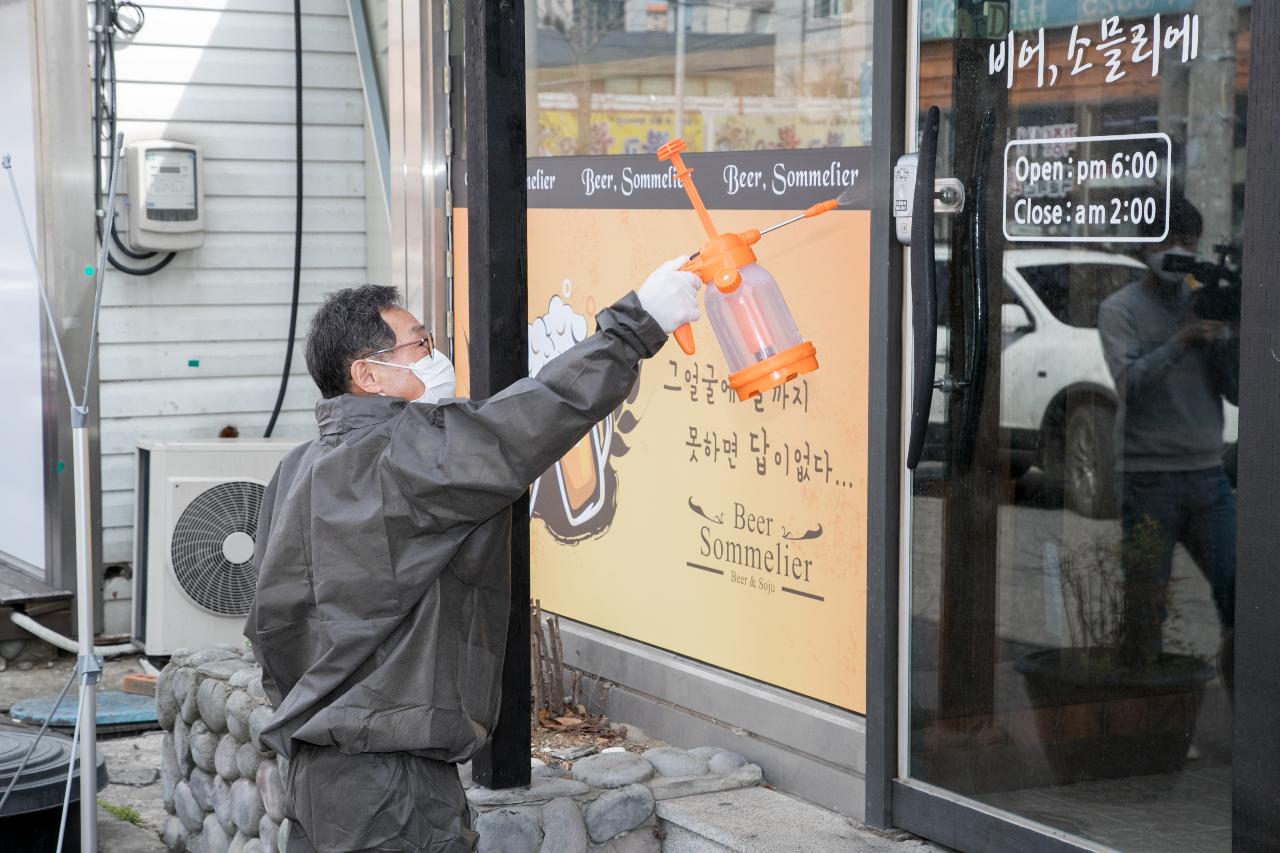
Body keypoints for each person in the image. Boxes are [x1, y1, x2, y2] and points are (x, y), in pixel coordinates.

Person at [243, 257, 701, 852]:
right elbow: (532, 416)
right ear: (368, 374)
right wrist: (636, 326)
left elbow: (268, 623)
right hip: (391, 784)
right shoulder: (408, 452)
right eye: (419, 344)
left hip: (318, 770)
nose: (435, 356)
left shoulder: (297, 467)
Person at [1097, 197, 1238, 685]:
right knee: (1145, 607)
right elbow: (1129, 384)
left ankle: (1244, 706)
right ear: (1146, 246)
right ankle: (1143, 717)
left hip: (1207, 475)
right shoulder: (1120, 309)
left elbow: (1238, 392)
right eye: (1170, 240)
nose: (1179, 251)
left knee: (1241, 593)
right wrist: (1180, 341)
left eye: (1189, 242)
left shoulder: (1206, 301)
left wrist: (1228, 339)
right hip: (1147, 475)